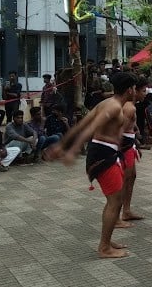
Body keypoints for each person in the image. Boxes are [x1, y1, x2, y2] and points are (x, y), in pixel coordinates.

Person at [45, 72, 138, 258]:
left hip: (105, 153)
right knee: (114, 202)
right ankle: (104, 247)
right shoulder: (113, 107)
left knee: (114, 200)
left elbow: (80, 125)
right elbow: (90, 127)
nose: (135, 92)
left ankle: (107, 239)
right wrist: (72, 151)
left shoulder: (108, 103)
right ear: (129, 90)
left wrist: (62, 145)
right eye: (135, 88)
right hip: (103, 154)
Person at [117, 76, 149, 227]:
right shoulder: (129, 108)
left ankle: (126, 210)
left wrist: (135, 143)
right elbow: (119, 131)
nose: (145, 94)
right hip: (123, 146)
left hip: (129, 145)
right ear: (134, 90)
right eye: (143, 91)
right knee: (124, 180)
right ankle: (116, 216)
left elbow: (130, 129)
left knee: (131, 177)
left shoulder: (132, 106)